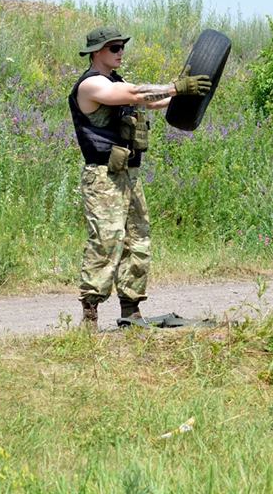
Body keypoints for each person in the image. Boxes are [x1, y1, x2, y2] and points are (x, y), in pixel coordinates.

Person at [69, 27, 211, 331]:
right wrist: (176, 86)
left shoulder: (116, 82)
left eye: (122, 47)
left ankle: (131, 313)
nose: (120, 52)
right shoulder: (91, 85)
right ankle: (90, 319)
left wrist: (189, 94)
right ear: (96, 52)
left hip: (128, 175)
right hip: (103, 177)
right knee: (106, 242)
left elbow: (150, 100)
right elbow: (135, 94)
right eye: (114, 48)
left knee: (137, 241)